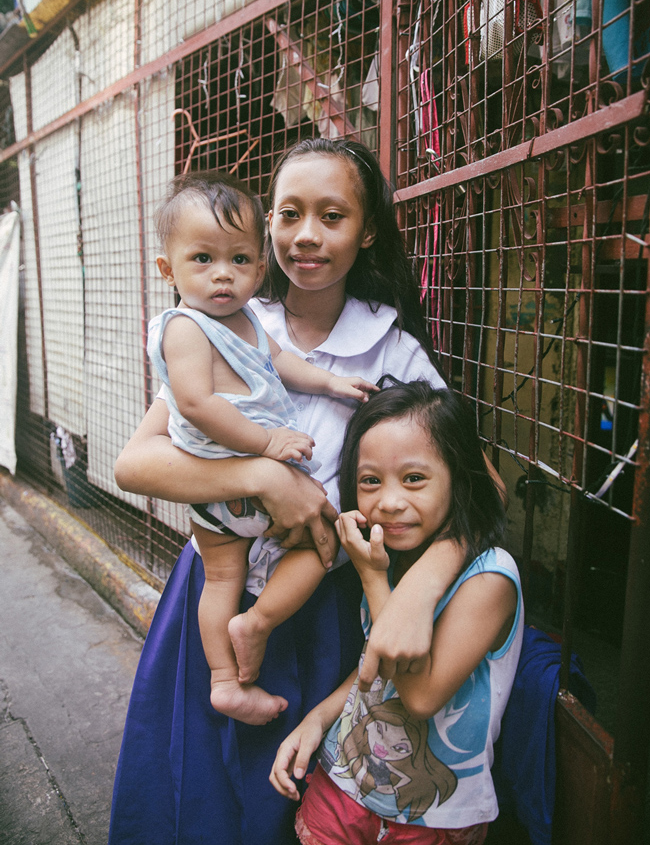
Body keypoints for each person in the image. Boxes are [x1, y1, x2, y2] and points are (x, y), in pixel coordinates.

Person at [109, 138, 503, 845]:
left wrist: (419, 590)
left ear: (368, 230)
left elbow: (481, 487)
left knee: (280, 805)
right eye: (289, 214)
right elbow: (136, 463)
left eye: (333, 215)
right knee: (192, 795)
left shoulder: (392, 353)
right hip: (215, 594)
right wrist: (264, 476)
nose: (307, 235)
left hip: (322, 611)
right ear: (268, 228)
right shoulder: (220, 321)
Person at [148, 173, 377, 725]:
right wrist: (267, 448)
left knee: (318, 552)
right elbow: (199, 406)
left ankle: (253, 632)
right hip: (221, 483)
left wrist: (330, 383)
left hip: (271, 502)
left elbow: (283, 364)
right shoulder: (184, 328)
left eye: (241, 260)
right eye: (202, 259)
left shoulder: (249, 319)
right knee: (222, 578)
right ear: (168, 270)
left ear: (258, 264)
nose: (223, 275)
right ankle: (224, 680)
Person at [270, 381, 523, 844]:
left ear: (458, 478)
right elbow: (375, 667)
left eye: (414, 479)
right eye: (370, 481)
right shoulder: (392, 555)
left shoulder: (490, 577)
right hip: (342, 789)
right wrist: (317, 720)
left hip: (432, 817)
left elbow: (420, 694)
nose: (388, 501)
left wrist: (372, 579)